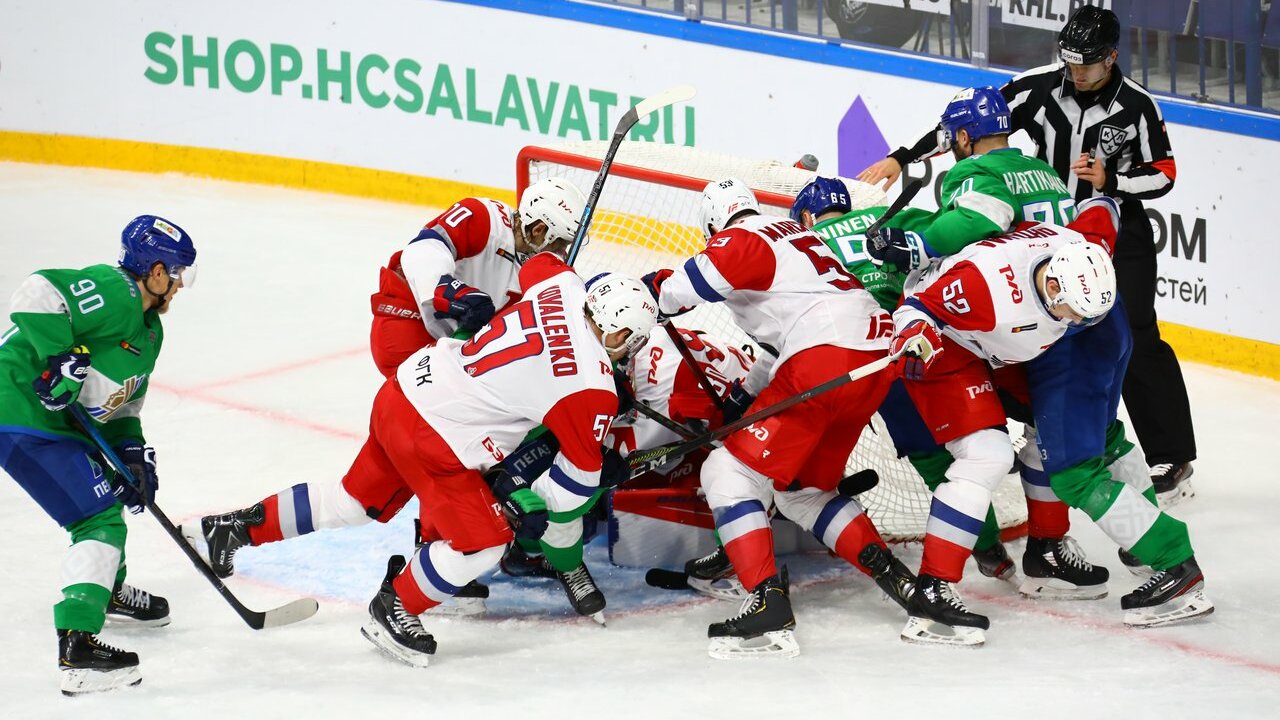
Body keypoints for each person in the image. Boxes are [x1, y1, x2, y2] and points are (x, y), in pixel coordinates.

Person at [187, 178, 606, 618]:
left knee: (360, 497)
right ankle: (437, 557)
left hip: (440, 365)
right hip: (407, 324)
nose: (562, 252)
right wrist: (445, 289)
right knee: (446, 451)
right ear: (537, 230)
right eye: (558, 242)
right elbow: (423, 249)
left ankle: (232, 529)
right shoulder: (485, 217)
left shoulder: (537, 274)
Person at [860, 6, 1195, 506]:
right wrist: (903, 157)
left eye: (1086, 63)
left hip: (1111, 230)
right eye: (1069, 60)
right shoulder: (1038, 86)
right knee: (1049, 337)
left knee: (1135, 334)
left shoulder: (1137, 105)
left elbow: (1164, 173)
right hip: (1046, 234)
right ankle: (1054, 434)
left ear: (1111, 58)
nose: (1075, 71)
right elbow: (970, 126)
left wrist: (1112, 182)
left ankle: (1169, 453)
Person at [795, 174, 1108, 599]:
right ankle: (993, 550)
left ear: (806, 216)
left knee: (930, 458)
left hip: (870, 350)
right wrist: (906, 247)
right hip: (942, 340)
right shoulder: (886, 216)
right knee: (979, 453)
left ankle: (976, 553)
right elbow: (954, 238)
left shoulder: (804, 242)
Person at [643, 177, 914, 659]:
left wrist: (653, 290)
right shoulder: (797, 236)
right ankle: (903, 582)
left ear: (714, 225)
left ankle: (766, 601)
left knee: (726, 471)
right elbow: (775, 348)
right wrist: (745, 397)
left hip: (825, 359)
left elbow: (683, 290)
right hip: (871, 361)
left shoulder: (744, 236)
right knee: (802, 492)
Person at [887, 198, 1122, 646]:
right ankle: (933, 589)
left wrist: (1102, 192)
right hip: (950, 343)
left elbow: (1104, 210)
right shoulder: (984, 287)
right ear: (1053, 287)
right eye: (1075, 312)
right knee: (987, 456)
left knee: (1055, 428)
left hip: (1002, 345)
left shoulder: (1080, 248)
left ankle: (1047, 550)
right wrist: (915, 334)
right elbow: (917, 309)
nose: (1079, 322)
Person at [0, 215, 196, 694]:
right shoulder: (115, 291)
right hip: (17, 408)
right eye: (177, 274)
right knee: (99, 520)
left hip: (55, 423)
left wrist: (131, 452)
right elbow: (37, 292)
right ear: (155, 273)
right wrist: (58, 357)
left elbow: (122, 402)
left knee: (106, 496)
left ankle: (104, 589)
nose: (180, 285)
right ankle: (78, 649)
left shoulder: (150, 332)